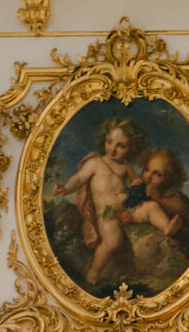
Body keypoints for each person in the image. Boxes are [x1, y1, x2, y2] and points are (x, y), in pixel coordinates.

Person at [49, 118, 146, 286]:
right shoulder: (95, 163)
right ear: (103, 140)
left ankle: (166, 226)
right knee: (113, 242)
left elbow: (139, 186)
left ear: (131, 149)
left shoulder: (126, 168)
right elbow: (79, 178)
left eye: (121, 146)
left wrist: (136, 189)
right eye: (110, 142)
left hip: (124, 211)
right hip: (106, 215)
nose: (113, 149)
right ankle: (94, 271)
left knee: (151, 209)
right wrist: (65, 188)